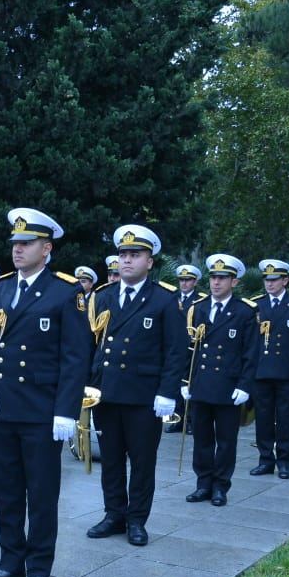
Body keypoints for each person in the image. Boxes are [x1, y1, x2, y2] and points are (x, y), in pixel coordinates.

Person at [0, 208, 88, 577]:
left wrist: (66, 410)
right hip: (1, 408)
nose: (17, 250)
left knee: (40, 494)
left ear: (47, 248)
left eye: (26, 243)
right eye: (15, 243)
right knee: (5, 490)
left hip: (40, 411)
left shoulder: (64, 291)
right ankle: (9, 562)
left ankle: (39, 567)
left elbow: (75, 356)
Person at [84, 225, 183, 547]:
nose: (126, 261)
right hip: (107, 393)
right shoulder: (103, 297)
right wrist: (86, 386)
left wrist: (168, 392)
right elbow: (89, 346)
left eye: (135, 255)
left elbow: (176, 350)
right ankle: (114, 514)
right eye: (123, 255)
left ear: (149, 262)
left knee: (142, 462)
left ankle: (137, 519)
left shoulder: (164, 299)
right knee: (110, 459)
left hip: (144, 396)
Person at [183, 254, 258, 507]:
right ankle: (203, 483)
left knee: (226, 441)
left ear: (233, 282)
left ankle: (220, 486)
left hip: (229, 386)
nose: (216, 282)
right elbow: (188, 349)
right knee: (202, 439)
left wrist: (245, 385)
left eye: (222, 278)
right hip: (202, 385)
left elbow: (251, 353)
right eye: (213, 277)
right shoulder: (199, 308)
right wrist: (185, 381)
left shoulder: (244, 312)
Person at [249, 260, 289, 480]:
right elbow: (250, 342)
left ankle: (284, 461)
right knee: (263, 418)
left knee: (286, 418)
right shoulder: (257, 305)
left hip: (287, 371)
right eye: (267, 279)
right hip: (262, 371)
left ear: (285, 281)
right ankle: (265, 460)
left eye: (274, 280)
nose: (269, 283)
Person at [168, 264, 206, 433]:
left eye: (188, 280)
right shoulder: (170, 298)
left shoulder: (201, 300)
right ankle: (177, 418)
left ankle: (190, 420)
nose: (184, 283)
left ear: (195, 281)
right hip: (174, 346)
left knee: (190, 382)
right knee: (175, 382)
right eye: (181, 280)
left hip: (192, 347)